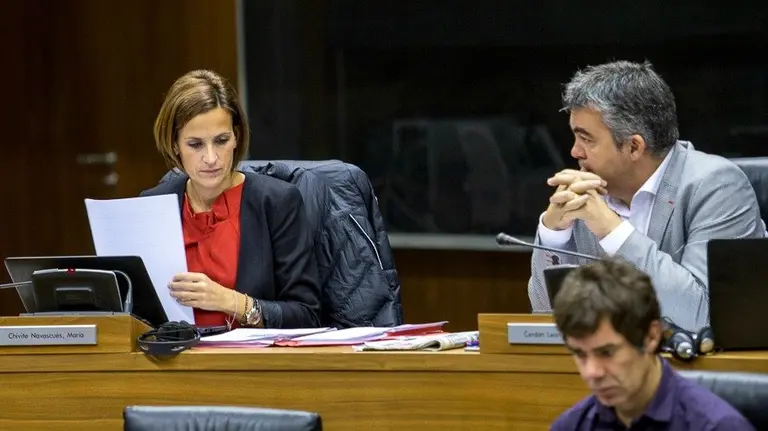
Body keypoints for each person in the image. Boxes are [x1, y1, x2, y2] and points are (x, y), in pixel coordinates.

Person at [528, 60, 764, 331]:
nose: (574, 152)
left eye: (587, 139)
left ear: (634, 147)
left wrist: (612, 230)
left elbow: (704, 315)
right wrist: (553, 235)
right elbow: (545, 320)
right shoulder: (586, 195)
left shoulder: (717, 187)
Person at [141, 69, 322, 329]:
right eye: (195, 145)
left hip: (249, 363)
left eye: (221, 140)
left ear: (236, 137)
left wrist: (230, 301)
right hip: (171, 361)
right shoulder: (151, 206)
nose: (212, 158)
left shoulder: (278, 202)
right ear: (173, 145)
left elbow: (307, 315)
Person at [550, 258, 754, 430]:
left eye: (606, 352)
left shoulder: (717, 426)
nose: (591, 372)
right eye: (580, 354)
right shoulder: (570, 426)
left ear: (651, 337)